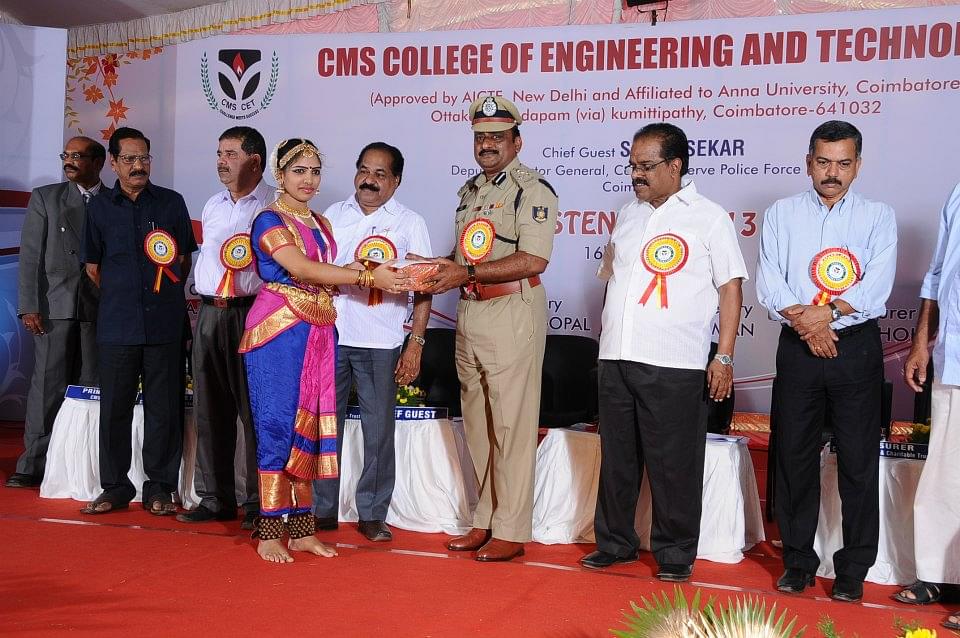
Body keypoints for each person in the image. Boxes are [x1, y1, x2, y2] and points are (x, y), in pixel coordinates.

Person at [580, 123, 747, 582]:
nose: (636, 174)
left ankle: (675, 553)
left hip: (674, 362)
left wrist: (724, 355)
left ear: (675, 166)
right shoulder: (627, 214)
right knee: (617, 458)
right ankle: (615, 544)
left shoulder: (709, 217)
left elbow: (730, 288)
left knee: (674, 464)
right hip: (617, 357)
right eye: (632, 165)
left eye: (646, 166)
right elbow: (612, 278)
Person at [238, 138, 402, 563]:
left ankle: (302, 530)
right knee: (276, 425)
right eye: (299, 171)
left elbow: (329, 272)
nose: (308, 180)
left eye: (314, 171)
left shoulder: (320, 223)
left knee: (308, 428)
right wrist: (368, 279)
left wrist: (377, 271)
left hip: (318, 330)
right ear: (280, 175)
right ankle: (269, 530)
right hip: (278, 331)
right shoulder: (269, 220)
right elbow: (302, 268)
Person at [756, 120, 897, 602]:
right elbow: (770, 281)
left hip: (855, 348)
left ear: (858, 166)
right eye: (823, 162)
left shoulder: (878, 216)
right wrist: (809, 325)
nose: (831, 172)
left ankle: (853, 568)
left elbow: (876, 285)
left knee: (858, 460)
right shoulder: (781, 213)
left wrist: (828, 314)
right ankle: (797, 561)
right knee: (794, 457)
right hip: (798, 344)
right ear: (808, 163)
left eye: (842, 163)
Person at [422, 96, 557, 562]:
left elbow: (533, 259)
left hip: (510, 310)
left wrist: (466, 273)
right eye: (480, 137)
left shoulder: (532, 190)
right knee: (478, 424)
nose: (487, 145)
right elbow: (466, 258)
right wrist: (433, 267)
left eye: (497, 137)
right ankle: (485, 518)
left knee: (512, 426)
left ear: (517, 142)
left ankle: (512, 529)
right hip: (471, 309)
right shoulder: (471, 191)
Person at [311, 142, 432, 542]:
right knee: (324, 425)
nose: (369, 180)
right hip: (331, 333)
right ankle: (321, 509)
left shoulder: (410, 222)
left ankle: (373, 513)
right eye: (364, 170)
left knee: (378, 432)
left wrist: (415, 343)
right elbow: (315, 271)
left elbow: (424, 288)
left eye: (380, 174)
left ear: (396, 181)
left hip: (381, 340)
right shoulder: (332, 215)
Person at [80, 126, 198, 516]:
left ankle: (159, 487)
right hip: (118, 325)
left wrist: (157, 294)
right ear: (113, 163)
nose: (138, 166)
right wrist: (125, 293)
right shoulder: (98, 207)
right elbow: (93, 267)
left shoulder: (171, 203)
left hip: (165, 324)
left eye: (144, 157)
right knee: (115, 408)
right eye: (129, 159)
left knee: (165, 408)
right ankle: (114, 487)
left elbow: (183, 260)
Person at [176, 127, 273, 531]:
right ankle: (215, 497)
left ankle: (256, 501)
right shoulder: (213, 204)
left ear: (255, 160)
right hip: (209, 312)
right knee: (209, 408)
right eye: (219, 153)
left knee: (253, 411)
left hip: (253, 313)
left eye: (231, 154)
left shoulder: (274, 205)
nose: (221, 161)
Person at [8, 137, 105, 489]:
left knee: (91, 387)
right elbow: (30, 257)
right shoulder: (45, 198)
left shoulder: (114, 201)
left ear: (98, 162)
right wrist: (29, 306)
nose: (69, 161)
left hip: (100, 308)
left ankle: (84, 465)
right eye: (66, 155)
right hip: (53, 307)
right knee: (47, 388)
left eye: (77, 156)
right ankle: (33, 463)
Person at [897, 182, 960, 632]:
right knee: (945, 473)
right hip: (952, 357)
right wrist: (921, 342)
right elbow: (937, 274)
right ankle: (940, 575)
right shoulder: (958, 192)